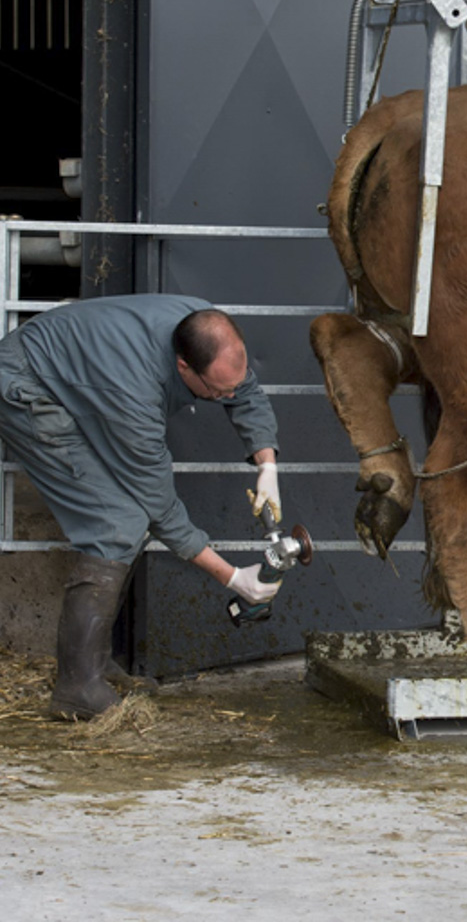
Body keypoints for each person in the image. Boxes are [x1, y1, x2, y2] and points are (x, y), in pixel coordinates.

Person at [0, 294, 284, 720]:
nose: (226, 396)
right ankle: (77, 688)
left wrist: (268, 466)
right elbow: (159, 505)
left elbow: (244, 393)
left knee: (126, 519)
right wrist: (232, 577)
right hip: (28, 385)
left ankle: (95, 666)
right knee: (116, 522)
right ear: (183, 366)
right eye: (217, 392)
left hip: (74, 370)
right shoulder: (131, 392)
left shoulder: (207, 330)